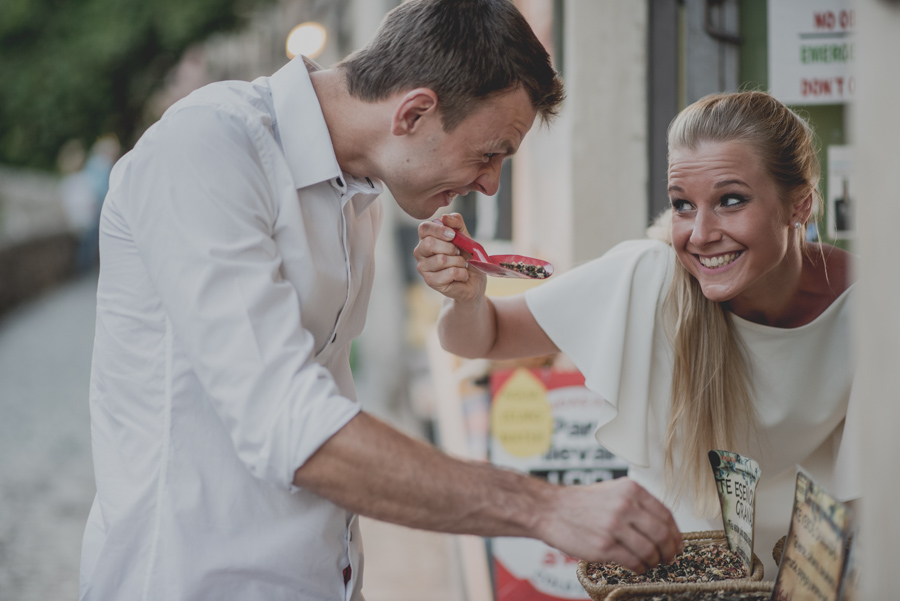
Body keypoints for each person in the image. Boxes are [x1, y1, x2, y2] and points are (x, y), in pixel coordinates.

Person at [80, 1, 682, 600]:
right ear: (415, 112)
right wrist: (543, 507)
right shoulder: (206, 147)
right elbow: (289, 423)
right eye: (490, 152)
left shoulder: (359, 189)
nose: (491, 182)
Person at [415, 90, 858, 579]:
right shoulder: (649, 277)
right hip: (669, 582)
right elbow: (480, 337)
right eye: (683, 206)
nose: (700, 233)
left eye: (731, 201)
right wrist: (467, 296)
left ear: (800, 205)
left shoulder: (869, 309)